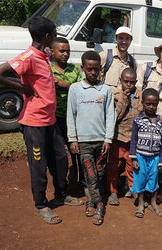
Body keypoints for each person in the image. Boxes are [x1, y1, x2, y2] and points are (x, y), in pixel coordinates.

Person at [0, 16, 82, 225]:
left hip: (49, 120)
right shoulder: (28, 57)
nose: (55, 38)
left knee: (60, 159)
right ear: (47, 36)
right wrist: (21, 87)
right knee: (38, 164)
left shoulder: (43, 55)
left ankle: (61, 194)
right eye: (53, 34)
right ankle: (41, 205)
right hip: (34, 123)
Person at [67, 51, 116, 226]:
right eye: (89, 69)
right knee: (90, 174)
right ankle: (100, 205)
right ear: (83, 69)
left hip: (101, 141)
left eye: (96, 69)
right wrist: (73, 138)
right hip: (84, 142)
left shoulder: (105, 90)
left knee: (99, 174)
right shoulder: (75, 89)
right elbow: (70, 115)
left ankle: (90, 201)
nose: (93, 73)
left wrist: (108, 139)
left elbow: (110, 116)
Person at [50, 37, 86, 193]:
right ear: (52, 52)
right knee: (59, 156)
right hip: (55, 118)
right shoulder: (48, 69)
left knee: (77, 152)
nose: (65, 54)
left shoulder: (74, 69)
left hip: (73, 118)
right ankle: (61, 187)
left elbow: (80, 90)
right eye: (62, 51)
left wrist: (63, 85)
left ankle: (82, 182)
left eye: (68, 51)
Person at [107, 68, 143, 205]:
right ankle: (113, 192)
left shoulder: (140, 96)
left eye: (132, 82)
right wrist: (124, 98)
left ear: (136, 82)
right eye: (126, 81)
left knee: (132, 166)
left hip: (133, 140)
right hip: (118, 138)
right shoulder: (116, 95)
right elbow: (114, 116)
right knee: (114, 166)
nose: (129, 85)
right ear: (121, 81)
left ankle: (133, 190)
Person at [129, 88, 162, 218]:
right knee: (140, 180)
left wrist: (161, 160)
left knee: (153, 180)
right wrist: (133, 159)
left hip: (155, 157)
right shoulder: (138, 120)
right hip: (140, 157)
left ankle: (153, 203)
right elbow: (133, 140)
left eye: (154, 104)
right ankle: (140, 204)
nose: (151, 107)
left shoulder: (161, 122)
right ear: (143, 103)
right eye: (148, 104)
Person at [100, 26, 136, 95]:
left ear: (130, 41)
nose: (124, 42)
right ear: (116, 39)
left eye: (127, 39)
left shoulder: (132, 62)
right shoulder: (104, 56)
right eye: (121, 38)